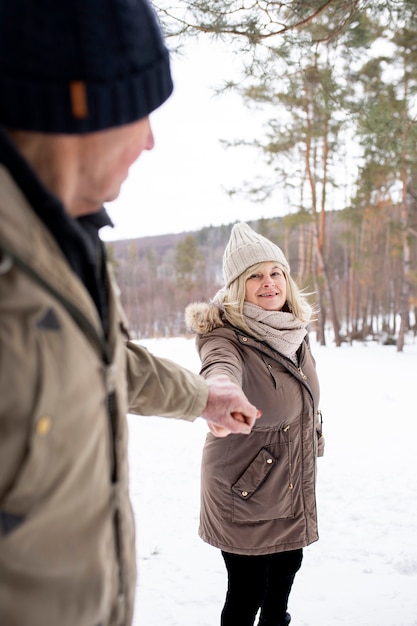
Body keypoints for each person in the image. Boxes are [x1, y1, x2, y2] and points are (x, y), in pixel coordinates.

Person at [0, 3, 261, 625]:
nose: (150, 140)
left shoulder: (67, 238)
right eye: (140, 111)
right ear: (82, 104)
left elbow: (100, 361)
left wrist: (201, 395)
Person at [186, 222, 324, 626]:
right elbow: (219, 368)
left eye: (276, 273)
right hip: (244, 486)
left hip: (290, 477)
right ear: (237, 286)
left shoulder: (294, 332)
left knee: (284, 576)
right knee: (248, 590)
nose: (269, 283)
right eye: (255, 276)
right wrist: (220, 390)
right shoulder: (224, 336)